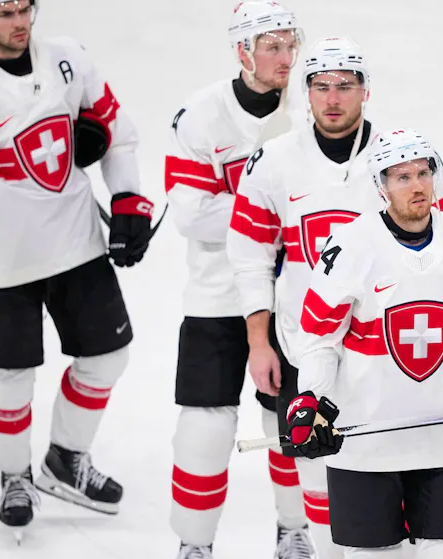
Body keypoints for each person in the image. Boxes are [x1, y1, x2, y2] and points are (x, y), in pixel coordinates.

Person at [227, 38, 443, 559]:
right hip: (305, 343)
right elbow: (249, 255)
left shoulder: (404, 158)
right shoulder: (273, 160)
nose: (333, 98)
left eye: (346, 85)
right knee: (317, 472)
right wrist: (259, 343)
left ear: (365, 90)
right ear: (305, 91)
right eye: (321, 86)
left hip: (390, 350)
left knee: (396, 474)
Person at [0, 0, 155, 536]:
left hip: (77, 245)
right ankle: (16, 476)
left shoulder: (69, 58)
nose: (18, 22)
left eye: (24, 9)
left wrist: (128, 201)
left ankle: (66, 459)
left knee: (107, 357)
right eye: (4, 13)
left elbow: (115, 131)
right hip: (1, 261)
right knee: (9, 381)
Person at [283, 129, 443, 558]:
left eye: (423, 173)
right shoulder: (350, 245)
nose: (417, 186)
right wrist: (310, 398)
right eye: (402, 177)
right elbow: (320, 338)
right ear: (380, 187)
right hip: (365, 447)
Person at [163, 2, 307, 558]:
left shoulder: (310, 108)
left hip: (293, 297)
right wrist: (275, 208)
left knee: (293, 420)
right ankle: (194, 543)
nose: (286, 58)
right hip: (217, 296)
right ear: (243, 51)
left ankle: (295, 531)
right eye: (272, 46)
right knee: (204, 428)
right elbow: (190, 215)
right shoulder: (200, 115)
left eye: (291, 45)